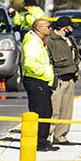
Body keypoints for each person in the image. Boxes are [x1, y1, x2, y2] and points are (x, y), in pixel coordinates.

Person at [21, 17, 57, 151]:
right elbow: (30, 63)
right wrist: (43, 73)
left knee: (47, 111)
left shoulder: (38, 41)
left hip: (42, 81)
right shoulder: (32, 43)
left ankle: (43, 140)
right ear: (39, 28)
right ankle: (39, 142)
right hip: (36, 80)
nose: (50, 29)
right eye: (48, 26)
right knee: (40, 112)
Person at [45, 16, 81, 145]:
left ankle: (61, 136)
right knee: (55, 109)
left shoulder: (70, 40)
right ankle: (47, 136)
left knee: (66, 110)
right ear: (65, 27)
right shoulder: (50, 40)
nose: (72, 29)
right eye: (71, 26)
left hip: (70, 78)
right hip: (59, 79)